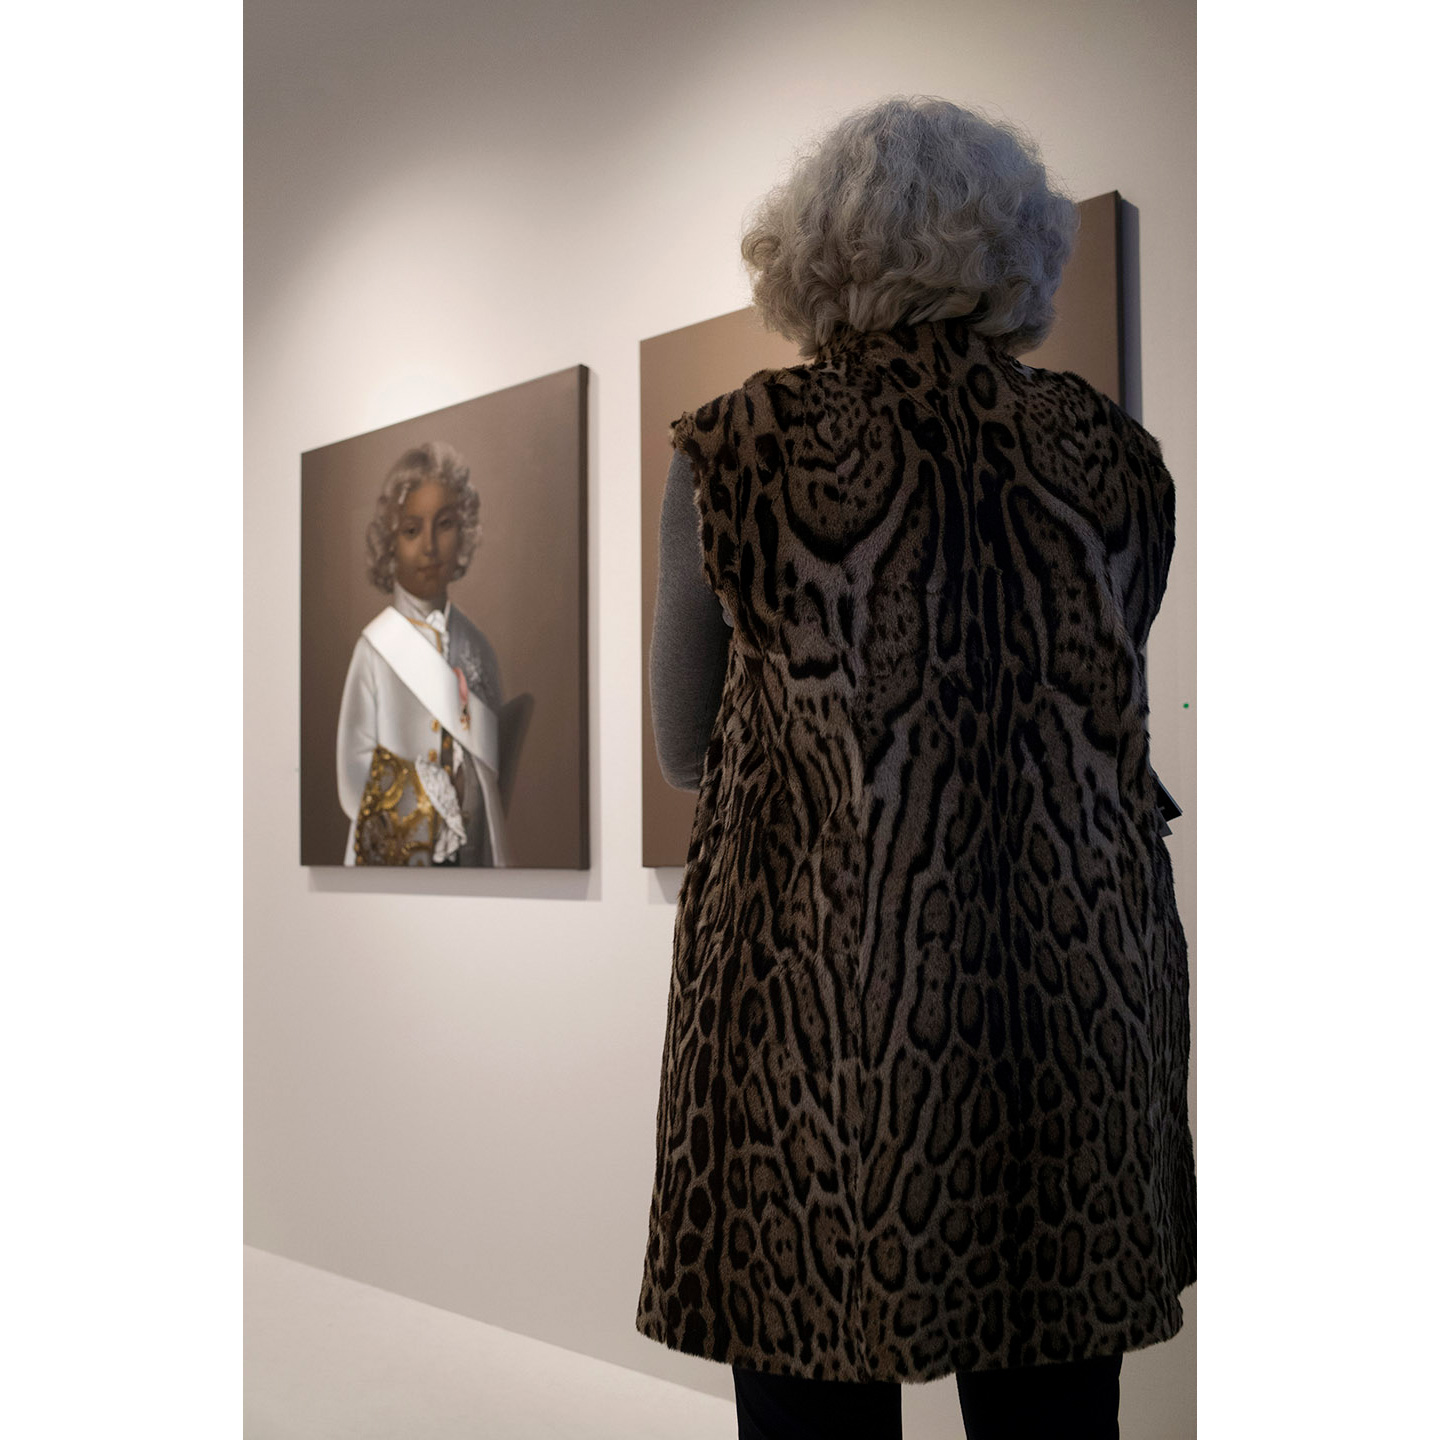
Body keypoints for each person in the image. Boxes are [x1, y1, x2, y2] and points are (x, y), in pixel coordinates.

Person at [638, 97, 1195, 1439]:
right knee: (1058, 1409)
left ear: (810, 254)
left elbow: (682, 745)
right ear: (1020, 254)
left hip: (821, 1023)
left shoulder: (742, 448)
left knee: (813, 1395)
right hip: (1075, 1010)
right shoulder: (1115, 458)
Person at [335, 441, 510, 867]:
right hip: (395, 862)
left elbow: (494, 770)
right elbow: (352, 776)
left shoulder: (478, 646)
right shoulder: (374, 649)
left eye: (444, 525)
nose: (430, 546)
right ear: (389, 542)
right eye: (412, 530)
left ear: (463, 531)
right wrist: (428, 796)